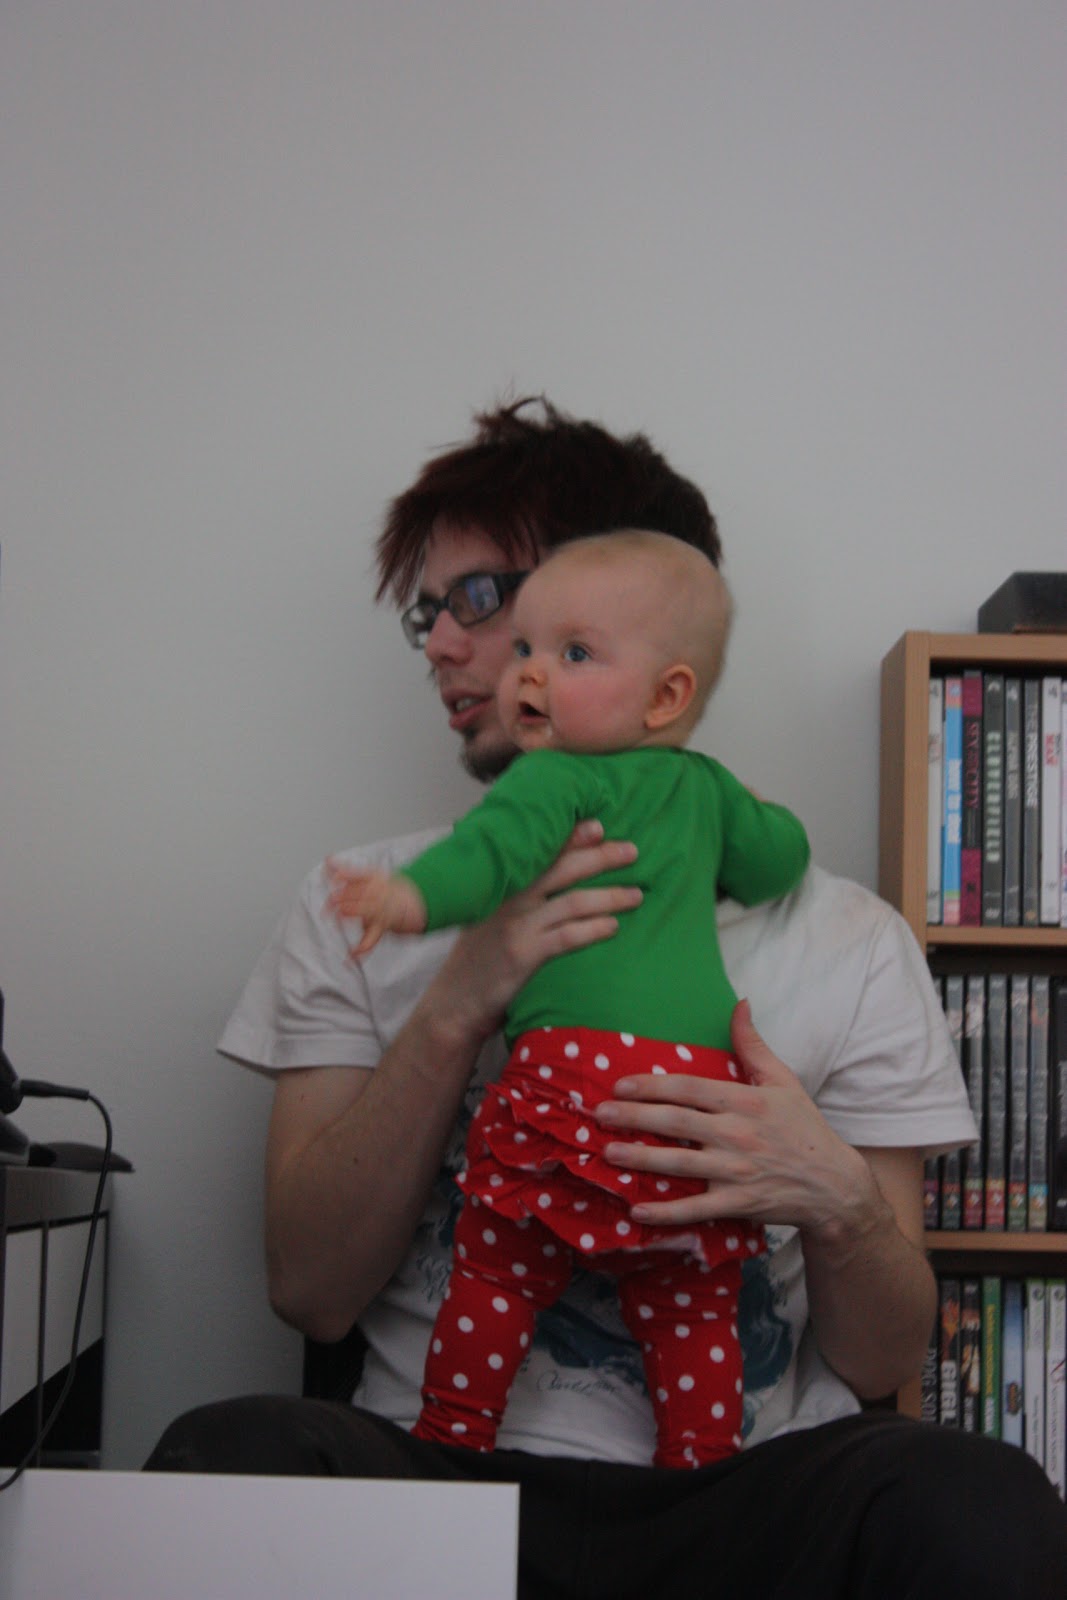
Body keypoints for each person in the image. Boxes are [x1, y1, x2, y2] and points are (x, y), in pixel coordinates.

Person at [146, 400, 1067, 1598]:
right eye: (430, 611)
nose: (441, 645)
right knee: (223, 1456)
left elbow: (881, 1353)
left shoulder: (847, 940)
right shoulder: (367, 903)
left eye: (483, 599)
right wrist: (456, 1006)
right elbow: (310, 1292)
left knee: (978, 1499)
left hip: (735, 1495)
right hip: (437, 1478)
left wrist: (833, 1195)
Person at [325, 529, 809, 1467]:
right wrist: (758, 814)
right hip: (689, 1105)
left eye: (573, 653)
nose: (531, 675)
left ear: (667, 696)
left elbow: (487, 854)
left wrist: (408, 898)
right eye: (526, 649)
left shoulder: (554, 776)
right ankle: (702, 1463)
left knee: (498, 1274)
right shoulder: (703, 789)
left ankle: (455, 1435)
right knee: (689, 1304)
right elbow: (776, 861)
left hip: (570, 1087)